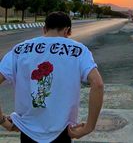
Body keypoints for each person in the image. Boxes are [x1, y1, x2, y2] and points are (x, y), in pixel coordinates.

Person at [0, 11, 104, 142]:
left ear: (44, 29)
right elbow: (98, 84)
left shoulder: (19, 49)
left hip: (27, 130)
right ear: (67, 31)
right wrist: (89, 126)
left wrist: (2, 120)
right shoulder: (79, 50)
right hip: (62, 131)